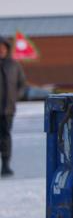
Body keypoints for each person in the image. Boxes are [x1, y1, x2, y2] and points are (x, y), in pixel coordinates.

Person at [0, 35, 28, 178]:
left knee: (6, 136)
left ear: (7, 49)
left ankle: (5, 165)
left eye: (3, 48)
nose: (1, 50)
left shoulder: (14, 65)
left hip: (8, 108)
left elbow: (22, 84)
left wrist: (16, 96)